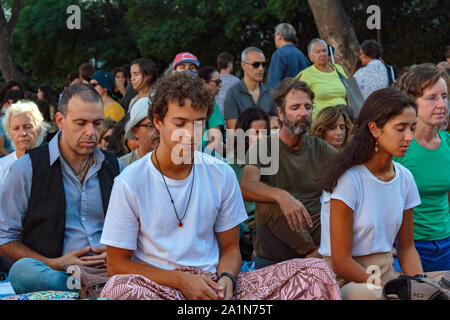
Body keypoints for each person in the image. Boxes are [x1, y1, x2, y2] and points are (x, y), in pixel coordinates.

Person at [99, 72, 340, 301]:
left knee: (315, 272)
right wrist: (181, 281)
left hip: (214, 285)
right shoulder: (130, 182)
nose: (190, 134)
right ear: (158, 122)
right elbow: (117, 264)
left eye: (198, 123)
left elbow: (231, 248)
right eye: (180, 123)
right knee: (118, 289)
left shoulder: (220, 174)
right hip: (160, 287)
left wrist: (226, 279)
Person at [319, 88, 448, 300]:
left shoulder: (405, 178)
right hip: (347, 280)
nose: (409, 137)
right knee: (379, 296)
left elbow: (407, 249)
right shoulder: (349, 180)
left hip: (388, 273)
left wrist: (421, 286)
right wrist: (391, 289)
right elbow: (341, 261)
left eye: (412, 128)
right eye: (400, 128)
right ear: (375, 129)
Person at [0, 82, 122, 294]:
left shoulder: (113, 165)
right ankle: (91, 291)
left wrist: (116, 253)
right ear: (60, 121)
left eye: (97, 123)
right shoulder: (26, 168)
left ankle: (97, 290)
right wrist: (53, 262)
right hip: (60, 274)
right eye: (81, 123)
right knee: (23, 271)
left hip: (111, 270)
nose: (90, 132)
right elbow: (5, 239)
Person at [240, 78, 337, 270]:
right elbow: (246, 186)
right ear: (280, 113)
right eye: (295, 107)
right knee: (267, 203)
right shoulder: (265, 147)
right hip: (277, 248)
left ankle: (313, 259)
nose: (303, 113)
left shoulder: (321, 149)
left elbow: (354, 175)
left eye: (308, 107)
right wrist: (282, 196)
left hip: (316, 231)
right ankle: (312, 259)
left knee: (342, 212)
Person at [394, 64, 450, 272]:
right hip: (406, 247)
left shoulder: (448, 142)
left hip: (446, 245)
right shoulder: (397, 146)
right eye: (432, 97)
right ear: (411, 102)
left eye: (444, 96)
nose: (441, 104)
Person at [227, 107, 271, 261]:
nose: (261, 138)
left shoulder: (274, 162)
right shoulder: (230, 167)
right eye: (255, 133)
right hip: (243, 236)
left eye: (265, 132)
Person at [224, 47, 277, 130]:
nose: (261, 69)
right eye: (256, 65)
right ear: (243, 65)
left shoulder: (271, 93)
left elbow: (275, 125)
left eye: (263, 65)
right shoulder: (233, 94)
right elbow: (233, 131)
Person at [295, 38, 347, 119]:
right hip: (322, 121)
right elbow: (295, 97)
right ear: (310, 56)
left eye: (324, 50)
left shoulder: (338, 69)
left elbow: (349, 89)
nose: (322, 54)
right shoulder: (306, 74)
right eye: (318, 52)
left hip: (344, 119)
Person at [0, 101, 50, 183]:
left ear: (39, 130)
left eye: (28, 127)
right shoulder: (2, 168)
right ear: (9, 133)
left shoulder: (51, 165)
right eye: (16, 128)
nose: (22, 133)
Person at [268, 23, 310, 89]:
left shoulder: (279, 55)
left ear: (280, 36)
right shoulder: (302, 56)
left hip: (285, 97)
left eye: (275, 35)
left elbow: (273, 85)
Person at [120, 98, 159, 167]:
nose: (158, 130)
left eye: (161, 124)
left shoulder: (178, 162)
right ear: (135, 132)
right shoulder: (123, 166)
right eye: (151, 126)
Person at [198, 66, 226, 154]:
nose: (220, 85)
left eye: (220, 82)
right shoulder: (211, 103)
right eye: (217, 82)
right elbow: (215, 139)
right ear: (203, 82)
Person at [215, 52, 240, 118]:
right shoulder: (236, 81)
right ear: (229, 64)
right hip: (230, 118)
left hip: (215, 118)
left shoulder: (213, 79)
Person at [0, 90, 25, 156]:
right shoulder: (2, 121)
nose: (10, 105)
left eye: (14, 102)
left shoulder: (28, 119)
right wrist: (16, 160)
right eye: (8, 102)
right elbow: (1, 148)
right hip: (7, 160)